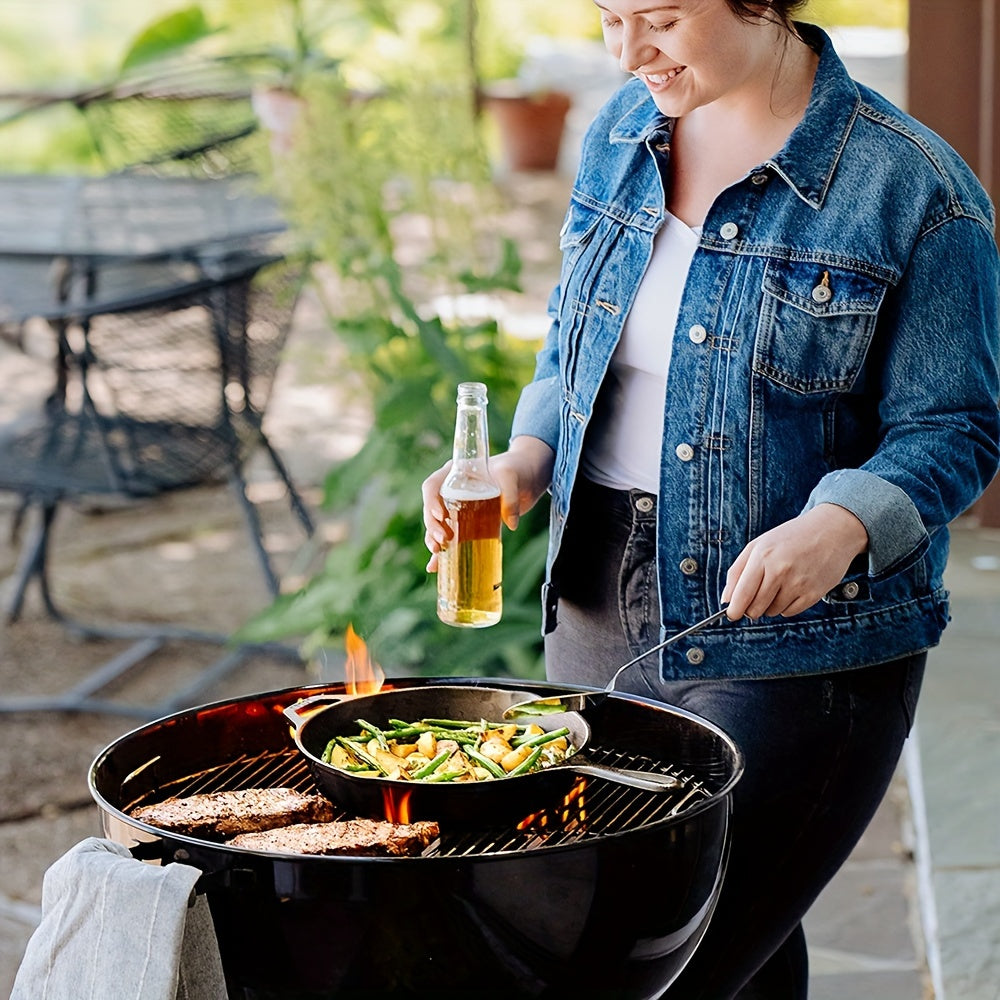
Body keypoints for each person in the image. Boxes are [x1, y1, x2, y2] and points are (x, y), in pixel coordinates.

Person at [423, 1, 1000, 996]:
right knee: (738, 949)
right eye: (609, 16)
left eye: (662, 17)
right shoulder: (618, 131)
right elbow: (576, 342)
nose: (628, 49)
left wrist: (840, 522)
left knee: (655, 968)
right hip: (600, 605)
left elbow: (955, 426)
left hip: (797, 638)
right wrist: (523, 459)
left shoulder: (911, 186)